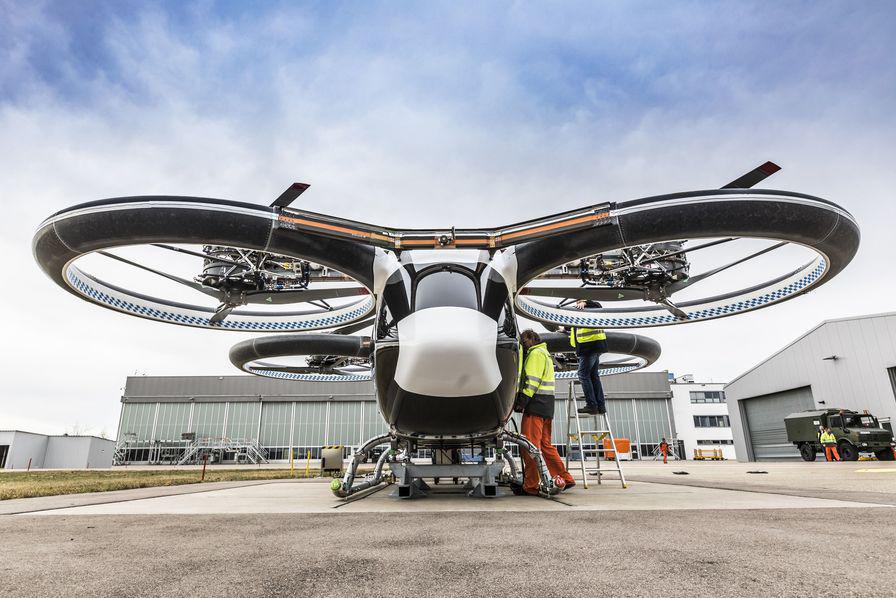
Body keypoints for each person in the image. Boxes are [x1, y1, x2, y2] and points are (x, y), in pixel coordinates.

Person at [517, 329, 576, 495]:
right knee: (545, 446)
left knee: (529, 447)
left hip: (535, 407)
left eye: (524, 341)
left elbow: (532, 381)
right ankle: (565, 478)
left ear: (531, 339)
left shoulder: (535, 354)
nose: (523, 345)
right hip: (547, 407)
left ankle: (531, 486)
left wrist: (522, 401)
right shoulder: (545, 354)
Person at [569, 300, 609, 415]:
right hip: (594, 347)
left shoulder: (590, 308)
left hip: (589, 347)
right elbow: (575, 327)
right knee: (593, 376)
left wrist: (586, 303)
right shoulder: (579, 314)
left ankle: (592, 405)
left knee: (583, 375)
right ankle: (600, 406)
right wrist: (564, 329)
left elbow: (598, 305)